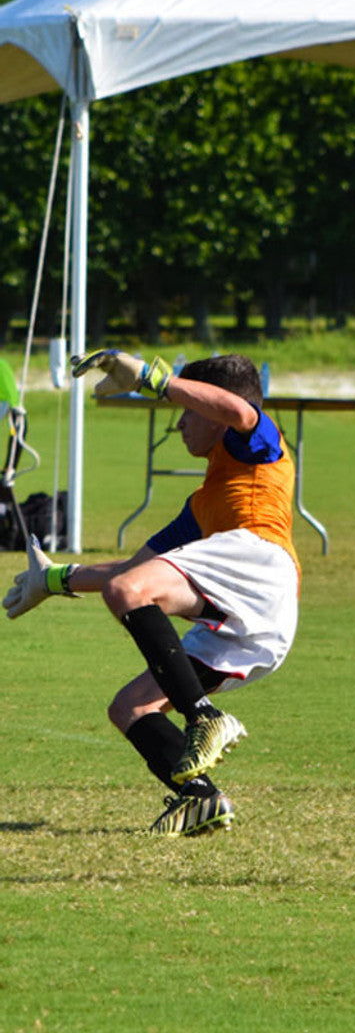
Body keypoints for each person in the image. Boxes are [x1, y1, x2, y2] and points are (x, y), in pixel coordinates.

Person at [4, 351, 300, 837]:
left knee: (128, 591)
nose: (179, 424)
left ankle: (204, 717)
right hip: (261, 619)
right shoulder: (201, 506)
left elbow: (239, 411)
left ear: (212, 410)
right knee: (130, 708)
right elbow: (131, 571)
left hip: (260, 564)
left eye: (187, 412)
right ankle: (200, 797)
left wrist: (150, 378)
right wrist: (55, 579)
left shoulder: (257, 444)